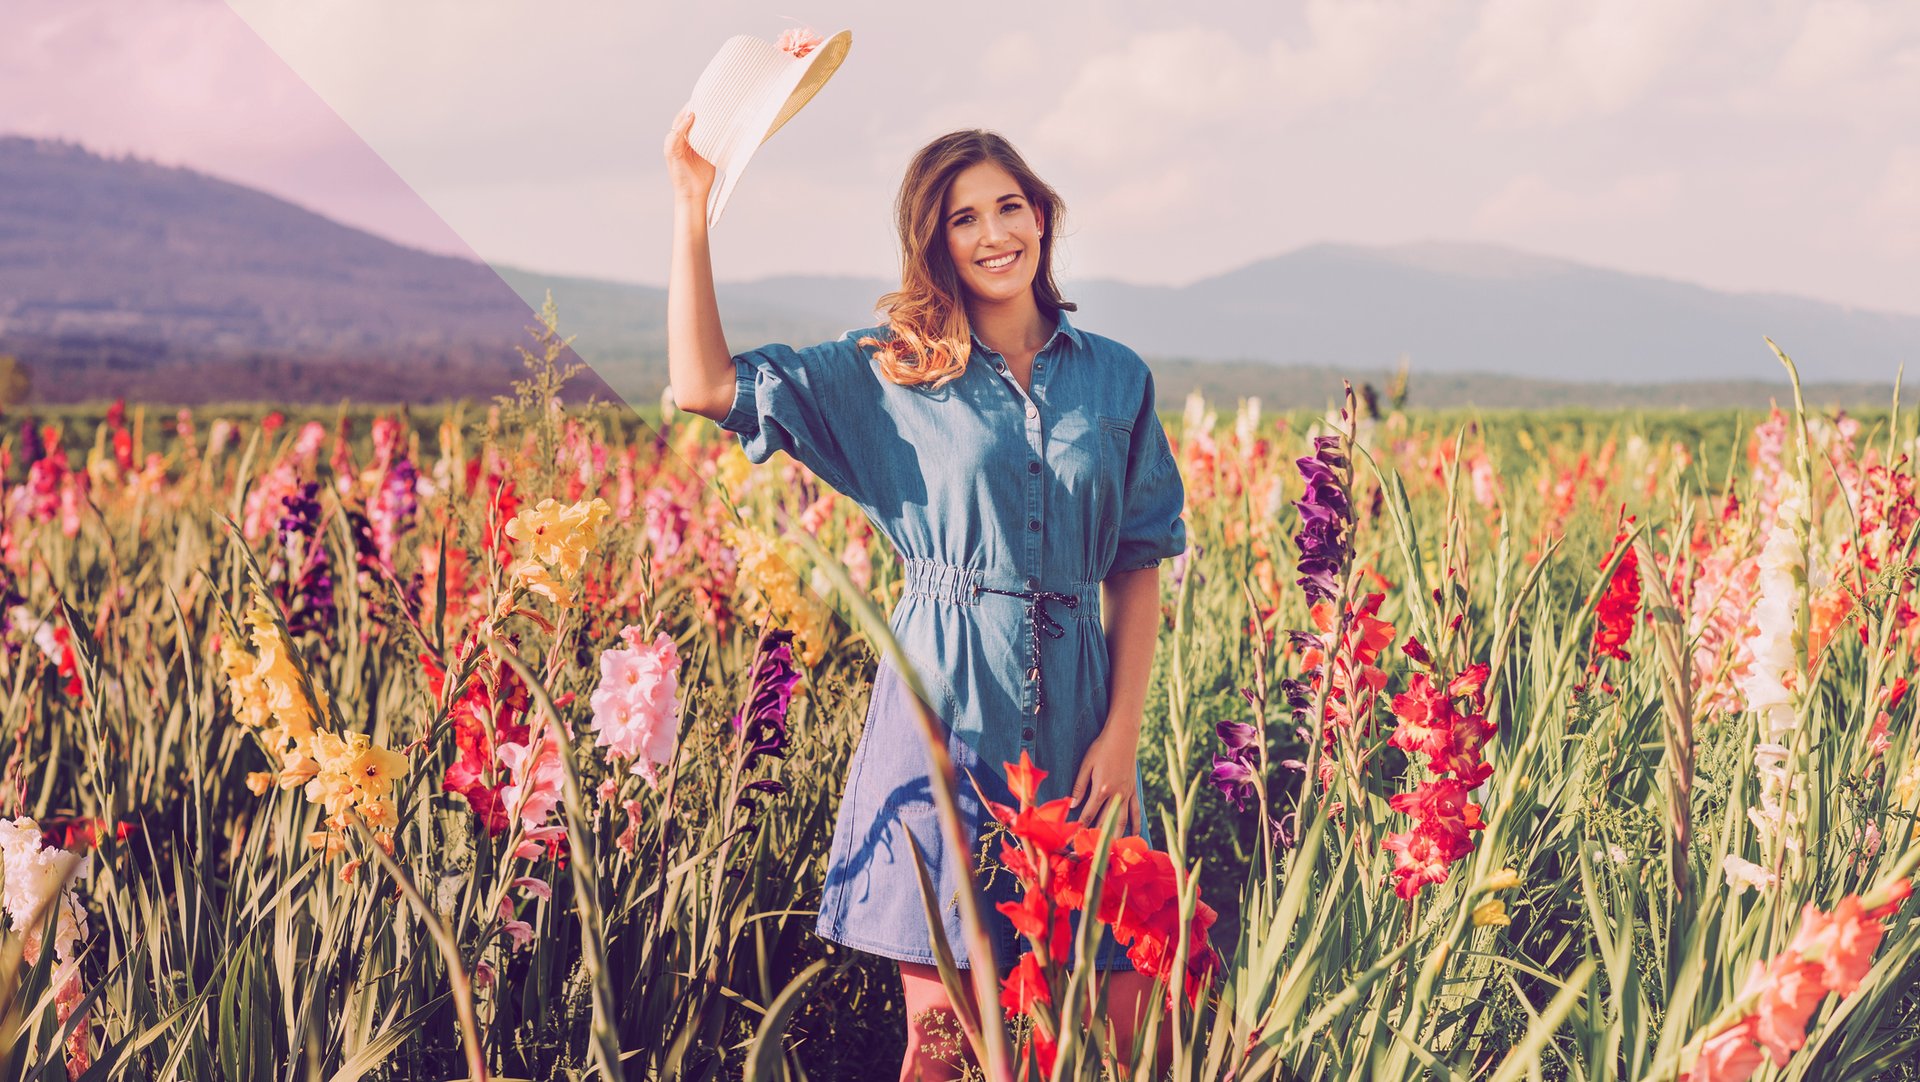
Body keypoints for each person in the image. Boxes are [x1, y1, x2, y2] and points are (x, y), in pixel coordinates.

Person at [664, 110, 1188, 1080]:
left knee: (1134, 1029)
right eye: (963, 219)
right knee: (945, 1042)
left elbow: (1138, 562)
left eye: (1010, 206)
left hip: (1083, 727)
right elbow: (704, 384)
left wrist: (1122, 735)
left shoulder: (1115, 378)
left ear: (1043, 215)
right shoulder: (890, 371)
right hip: (944, 717)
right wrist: (695, 207)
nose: (996, 234)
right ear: (933, 242)